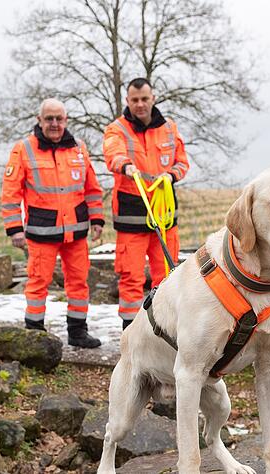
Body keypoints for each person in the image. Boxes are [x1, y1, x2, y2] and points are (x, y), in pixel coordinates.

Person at [0, 98, 104, 348]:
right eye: (49, 119)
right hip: (41, 233)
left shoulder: (78, 148)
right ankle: (35, 334)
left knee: (79, 283)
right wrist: (14, 229)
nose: (54, 124)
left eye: (59, 118)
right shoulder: (23, 149)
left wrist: (97, 220)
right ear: (39, 120)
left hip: (76, 233)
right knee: (38, 284)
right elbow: (10, 192)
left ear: (66, 120)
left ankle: (78, 333)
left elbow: (91, 188)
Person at [103, 78, 189, 329]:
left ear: (153, 98)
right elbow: (112, 153)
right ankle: (130, 330)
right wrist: (125, 166)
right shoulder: (117, 129)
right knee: (131, 275)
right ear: (128, 101)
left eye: (144, 99)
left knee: (167, 274)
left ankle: (163, 327)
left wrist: (171, 175)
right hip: (132, 214)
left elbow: (182, 162)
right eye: (134, 100)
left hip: (164, 214)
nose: (140, 104)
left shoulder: (170, 128)